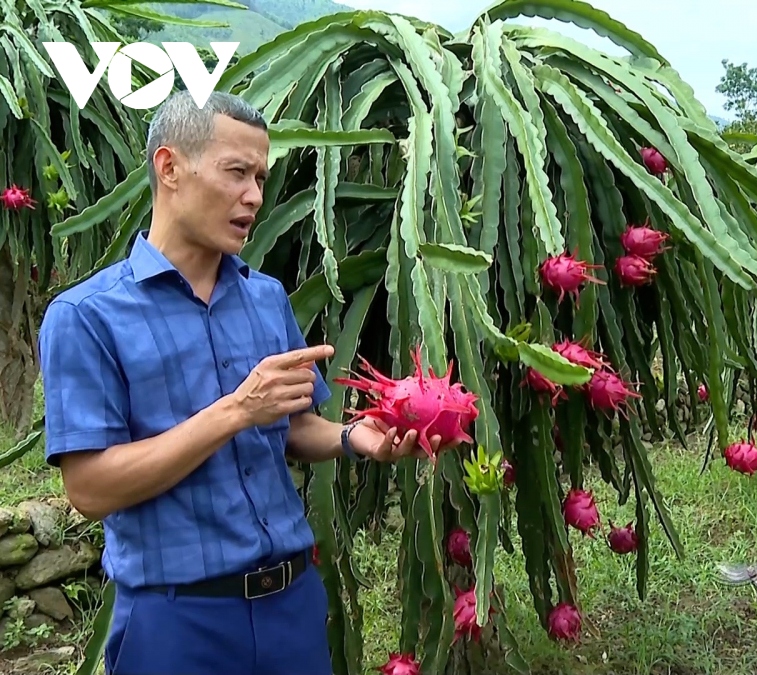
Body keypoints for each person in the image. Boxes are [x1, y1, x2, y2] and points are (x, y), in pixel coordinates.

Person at [38, 90, 454, 675]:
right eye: (236, 172)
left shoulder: (265, 297)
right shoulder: (86, 317)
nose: (255, 196)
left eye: (260, 176)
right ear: (170, 167)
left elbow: (294, 424)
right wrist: (234, 411)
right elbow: (90, 488)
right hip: (175, 622)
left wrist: (357, 437)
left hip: (292, 606)